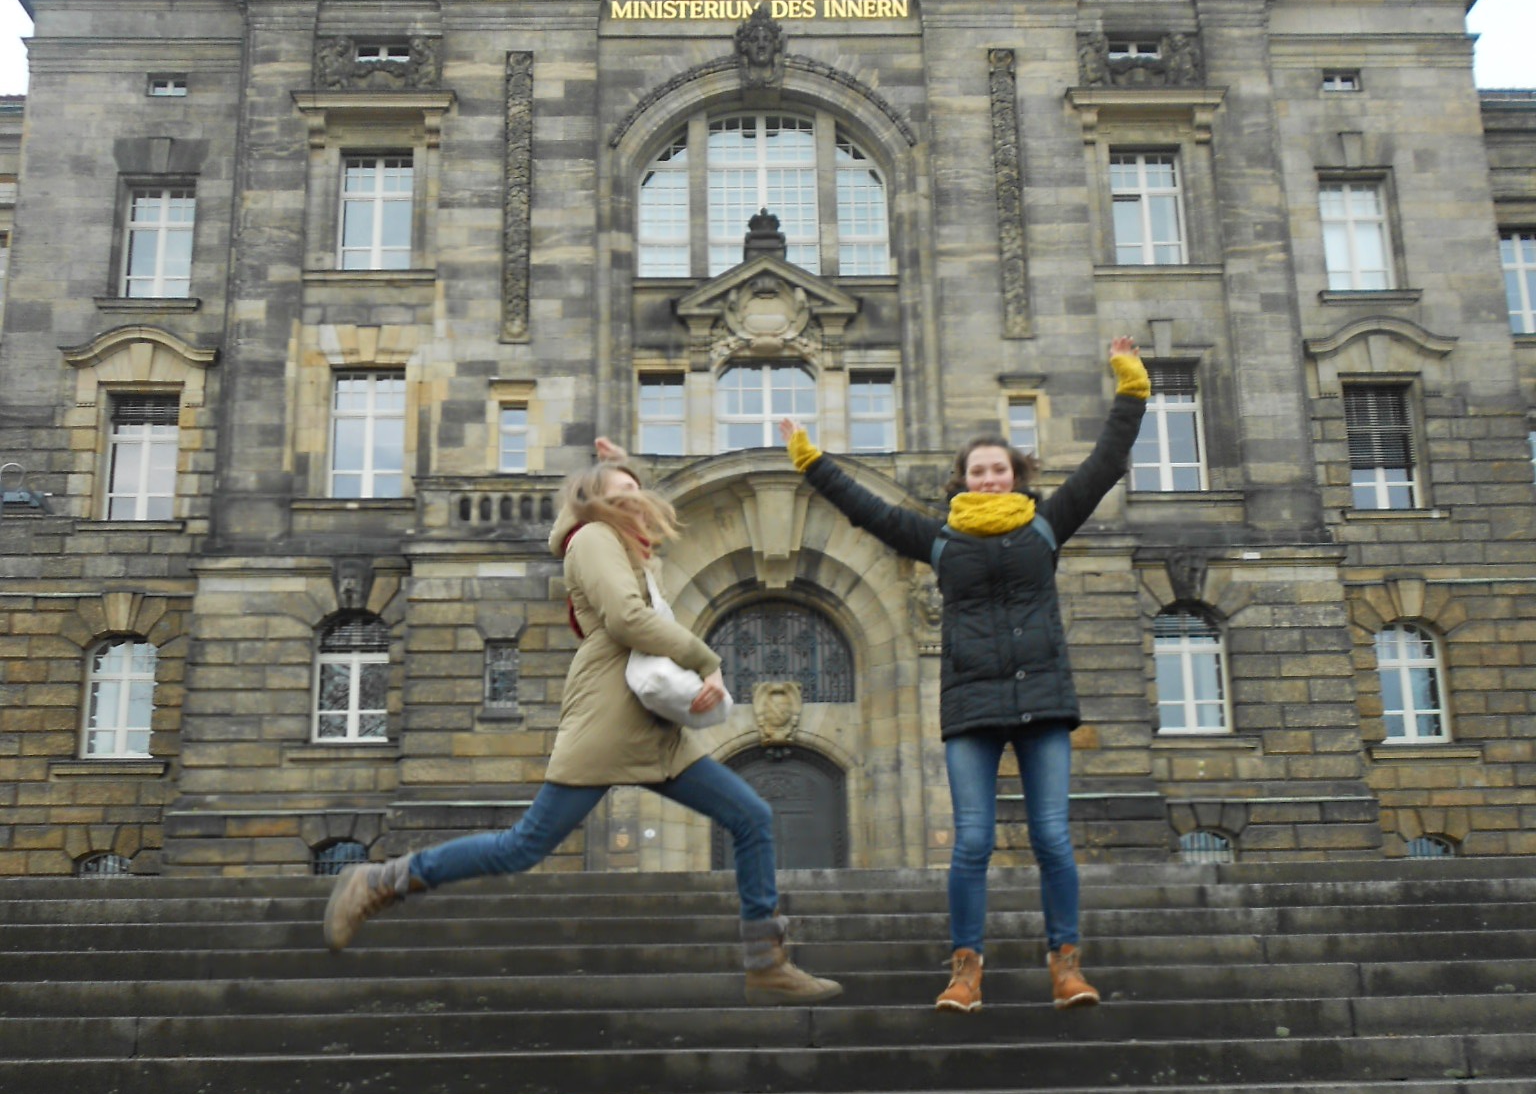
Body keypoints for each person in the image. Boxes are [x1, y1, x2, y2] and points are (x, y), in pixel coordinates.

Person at [323, 442, 841, 1002]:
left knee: (751, 816)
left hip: (651, 726)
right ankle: (380, 880)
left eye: (638, 490)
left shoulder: (624, 546)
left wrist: (625, 467)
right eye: (622, 493)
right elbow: (625, 618)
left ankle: (765, 960)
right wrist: (705, 659)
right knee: (523, 847)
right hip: (608, 714)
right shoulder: (593, 539)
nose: (636, 498)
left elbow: (633, 573)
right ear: (594, 503)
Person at [779, 337, 1149, 1014]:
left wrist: (1131, 385)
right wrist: (811, 460)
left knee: (1051, 838)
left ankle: (1066, 967)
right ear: (963, 479)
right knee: (972, 841)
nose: (989, 479)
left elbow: (1104, 463)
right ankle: (965, 971)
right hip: (972, 703)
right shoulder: (940, 539)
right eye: (978, 471)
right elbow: (866, 509)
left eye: (999, 469)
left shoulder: (1046, 525)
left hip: (1043, 699)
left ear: (1016, 475)